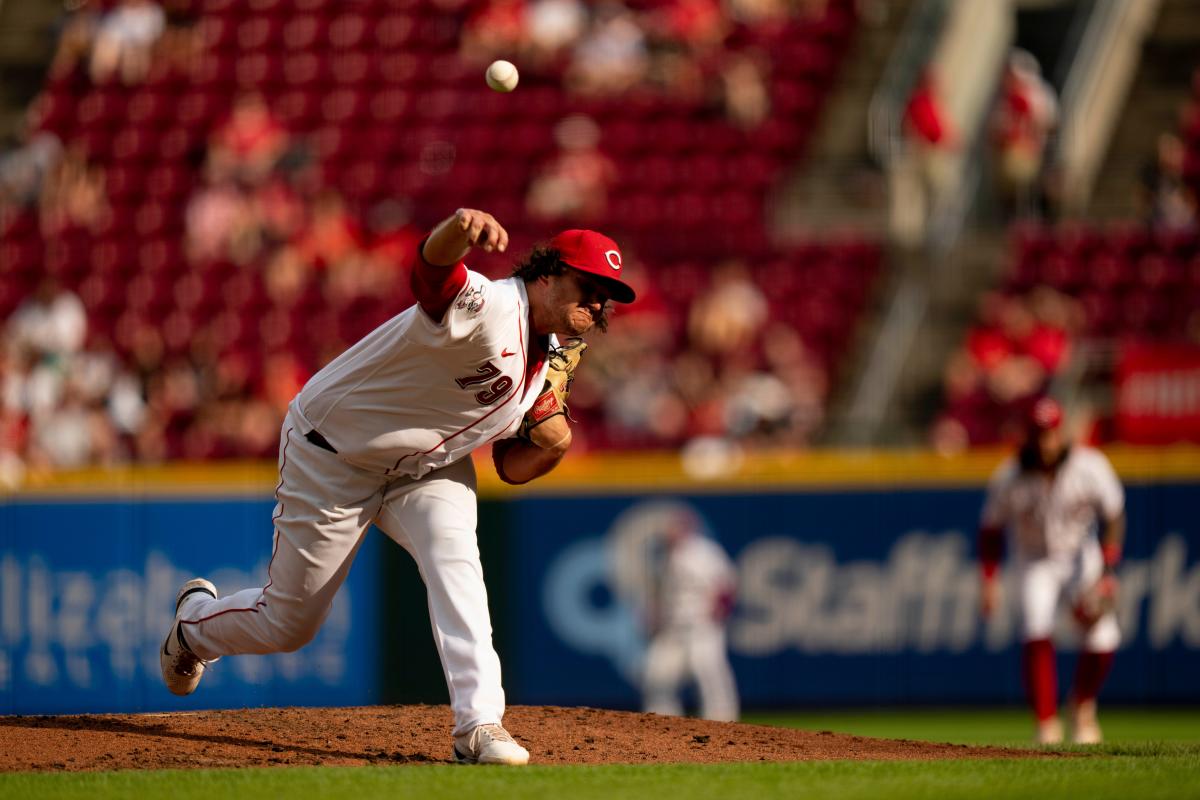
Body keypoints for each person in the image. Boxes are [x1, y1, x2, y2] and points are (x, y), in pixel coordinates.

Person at [159, 208, 637, 766]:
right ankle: (194, 625)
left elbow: (510, 464)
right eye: (590, 286)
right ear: (549, 274)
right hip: (333, 454)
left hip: (427, 467)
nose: (599, 304)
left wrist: (552, 447)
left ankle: (479, 726)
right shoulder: (492, 306)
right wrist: (458, 230)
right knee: (288, 624)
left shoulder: (554, 352)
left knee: (456, 561)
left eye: (608, 296)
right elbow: (432, 276)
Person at [977, 397, 1124, 745]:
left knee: (1103, 637)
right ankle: (1046, 722)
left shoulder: (1089, 465)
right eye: (1038, 434)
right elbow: (990, 530)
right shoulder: (1009, 476)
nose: (1045, 442)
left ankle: (1082, 705)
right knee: (1036, 629)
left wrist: (1107, 567)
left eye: (1050, 433)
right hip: (1034, 560)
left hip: (1080, 555)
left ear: (1061, 432)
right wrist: (988, 579)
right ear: (1027, 436)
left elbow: (1114, 514)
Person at [642, 511, 739, 721]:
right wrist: (655, 616)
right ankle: (663, 723)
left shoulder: (705, 552)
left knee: (709, 673)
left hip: (701, 623)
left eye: (675, 528)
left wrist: (716, 614)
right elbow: (660, 593)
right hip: (673, 626)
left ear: (687, 529)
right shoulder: (663, 555)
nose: (670, 533)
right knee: (658, 675)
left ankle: (723, 723)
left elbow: (726, 585)